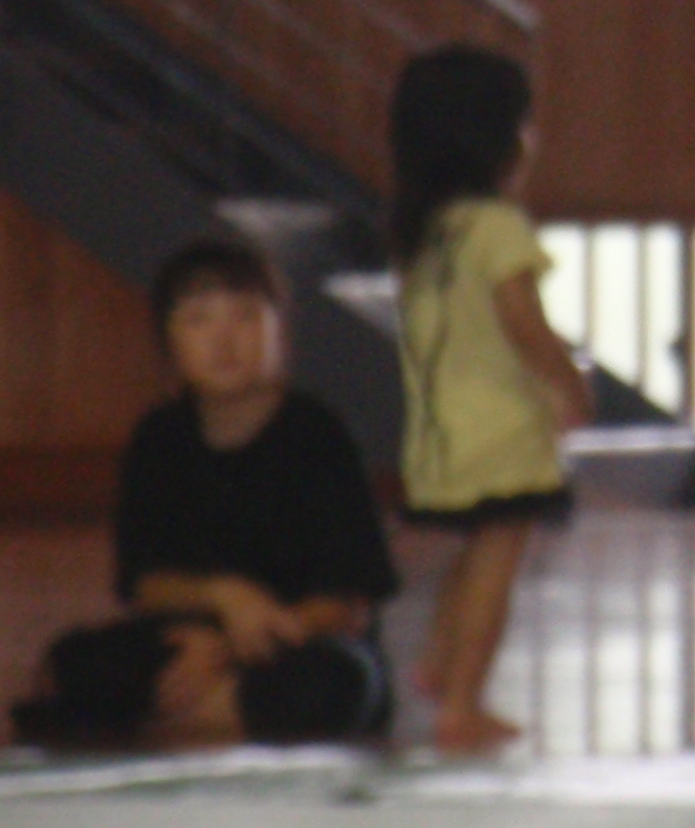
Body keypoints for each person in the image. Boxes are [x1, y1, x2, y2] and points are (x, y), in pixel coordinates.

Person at [11, 237, 399, 753]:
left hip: (295, 642)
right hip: (186, 641)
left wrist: (237, 645)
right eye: (199, 320)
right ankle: (217, 713)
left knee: (341, 682)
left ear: (280, 333)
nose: (224, 339)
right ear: (168, 343)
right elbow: (144, 585)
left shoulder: (319, 435)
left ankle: (170, 719)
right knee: (73, 660)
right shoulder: (159, 437)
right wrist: (222, 595)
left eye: (245, 316)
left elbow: (347, 603)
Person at [389, 43, 589, 755]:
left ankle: (439, 666)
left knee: (472, 552)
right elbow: (520, 317)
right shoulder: (498, 227)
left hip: (439, 435)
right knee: (496, 566)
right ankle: (463, 704)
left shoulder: (425, 232)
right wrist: (568, 379)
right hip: (502, 434)